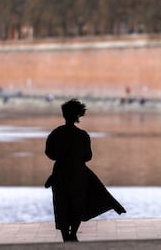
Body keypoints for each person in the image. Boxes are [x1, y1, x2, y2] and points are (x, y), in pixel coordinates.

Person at [45, 99, 126, 242]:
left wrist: (62, 157)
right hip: (78, 173)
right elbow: (88, 156)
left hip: (60, 174)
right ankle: (73, 233)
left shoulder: (56, 134)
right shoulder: (82, 135)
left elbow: (49, 153)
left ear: (64, 115)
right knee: (77, 203)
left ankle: (66, 237)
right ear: (78, 116)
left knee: (62, 203)